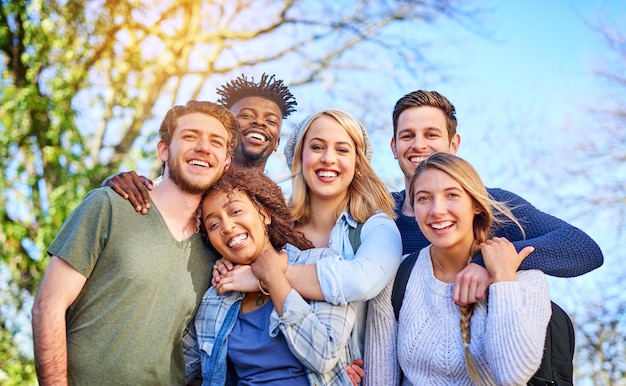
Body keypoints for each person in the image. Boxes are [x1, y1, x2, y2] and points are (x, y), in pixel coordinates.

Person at [31, 100, 238, 385]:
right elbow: (48, 306)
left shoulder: (215, 248)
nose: (204, 147)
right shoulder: (109, 205)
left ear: (226, 162)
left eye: (216, 142)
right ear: (164, 149)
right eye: (191, 136)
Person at [212, 109, 403, 364]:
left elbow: (361, 280)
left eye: (342, 150)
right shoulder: (272, 226)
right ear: (300, 158)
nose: (328, 158)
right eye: (316, 147)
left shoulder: (376, 227)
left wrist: (266, 275)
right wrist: (226, 264)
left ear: (357, 164)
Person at [390, 90, 603, 305]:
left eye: (431, 135)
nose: (418, 145)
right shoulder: (378, 212)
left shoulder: (490, 203)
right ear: (394, 147)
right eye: (407, 136)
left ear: (453, 145)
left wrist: (491, 262)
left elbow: (583, 249)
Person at [364, 152, 552, 385]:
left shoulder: (524, 277)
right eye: (424, 199)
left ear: (476, 205)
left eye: (451, 195)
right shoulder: (397, 276)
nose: (437, 210)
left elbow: (512, 374)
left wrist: (503, 279)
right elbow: (378, 379)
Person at [183, 166, 359, 385]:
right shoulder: (216, 297)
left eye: (235, 211)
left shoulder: (321, 264)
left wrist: (271, 277)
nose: (227, 226)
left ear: (264, 214)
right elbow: (176, 368)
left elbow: (323, 356)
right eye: (213, 224)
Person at [104, 73, 297, 213]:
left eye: (271, 121)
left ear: (277, 142)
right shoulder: (181, 185)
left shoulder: (285, 210)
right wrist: (113, 185)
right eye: (246, 115)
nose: (259, 122)